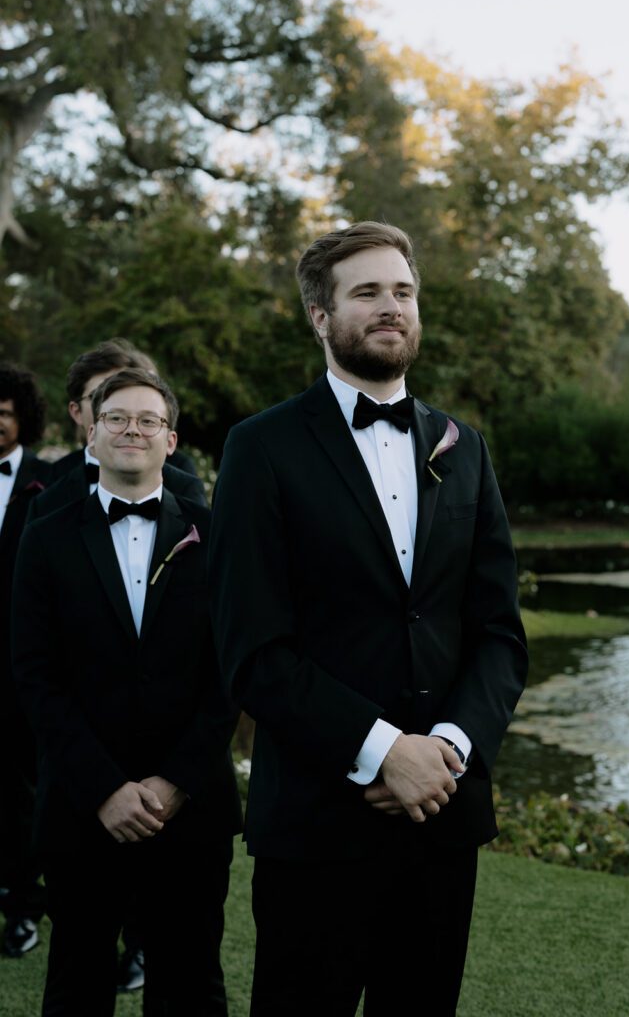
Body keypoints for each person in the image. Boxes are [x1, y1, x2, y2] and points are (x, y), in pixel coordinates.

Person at [209, 221, 528, 1016]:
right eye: (368, 293)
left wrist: (445, 752)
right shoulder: (261, 448)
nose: (392, 307)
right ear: (320, 316)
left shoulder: (466, 449)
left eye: (404, 292)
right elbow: (252, 649)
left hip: (442, 825)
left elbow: (496, 633)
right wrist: (384, 751)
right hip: (318, 824)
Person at [12, 368, 242, 1016]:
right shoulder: (45, 535)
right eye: (116, 418)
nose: (131, 430)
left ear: (171, 441)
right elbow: (34, 673)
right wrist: (104, 788)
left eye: (147, 420)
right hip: (83, 808)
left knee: (191, 982)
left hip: (191, 807)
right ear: (91, 431)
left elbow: (232, 670)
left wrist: (173, 782)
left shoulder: (216, 533)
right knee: (77, 981)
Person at [32, 339, 206, 522]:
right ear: (77, 412)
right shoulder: (52, 481)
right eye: (101, 396)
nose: (131, 428)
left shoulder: (183, 483)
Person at [0, 363, 51, 958]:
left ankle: (24, 904)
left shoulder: (46, 480)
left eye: (5, 411)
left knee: (24, 788)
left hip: (23, 663)